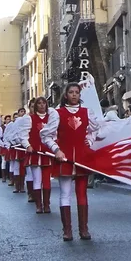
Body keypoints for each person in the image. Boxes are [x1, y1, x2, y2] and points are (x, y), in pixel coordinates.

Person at [41, 82, 99, 241]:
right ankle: (67, 230)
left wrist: (90, 140)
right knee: (65, 193)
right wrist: (56, 150)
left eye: (77, 92)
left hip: (82, 157)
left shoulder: (87, 112)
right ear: (65, 95)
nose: (74, 95)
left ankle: (84, 229)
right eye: (71, 92)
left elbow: (95, 130)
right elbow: (45, 135)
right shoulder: (57, 113)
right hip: (64, 157)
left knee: (82, 193)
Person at [17, 97, 53, 214]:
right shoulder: (30, 119)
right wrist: (28, 145)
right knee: (37, 180)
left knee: (47, 180)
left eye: (44, 103)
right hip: (35, 153)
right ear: (35, 105)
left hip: (47, 152)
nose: (42, 105)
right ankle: (39, 205)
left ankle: (47, 205)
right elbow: (23, 135)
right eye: (39, 103)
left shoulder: (52, 118)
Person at [0, 115, 11, 182]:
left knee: (11, 161)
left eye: (9, 119)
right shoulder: (1, 128)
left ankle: (10, 176)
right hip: (4, 147)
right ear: (5, 120)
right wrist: (3, 144)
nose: (9, 120)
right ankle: (3, 176)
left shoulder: (12, 127)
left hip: (11, 146)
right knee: (4, 161)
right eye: (7, 119)